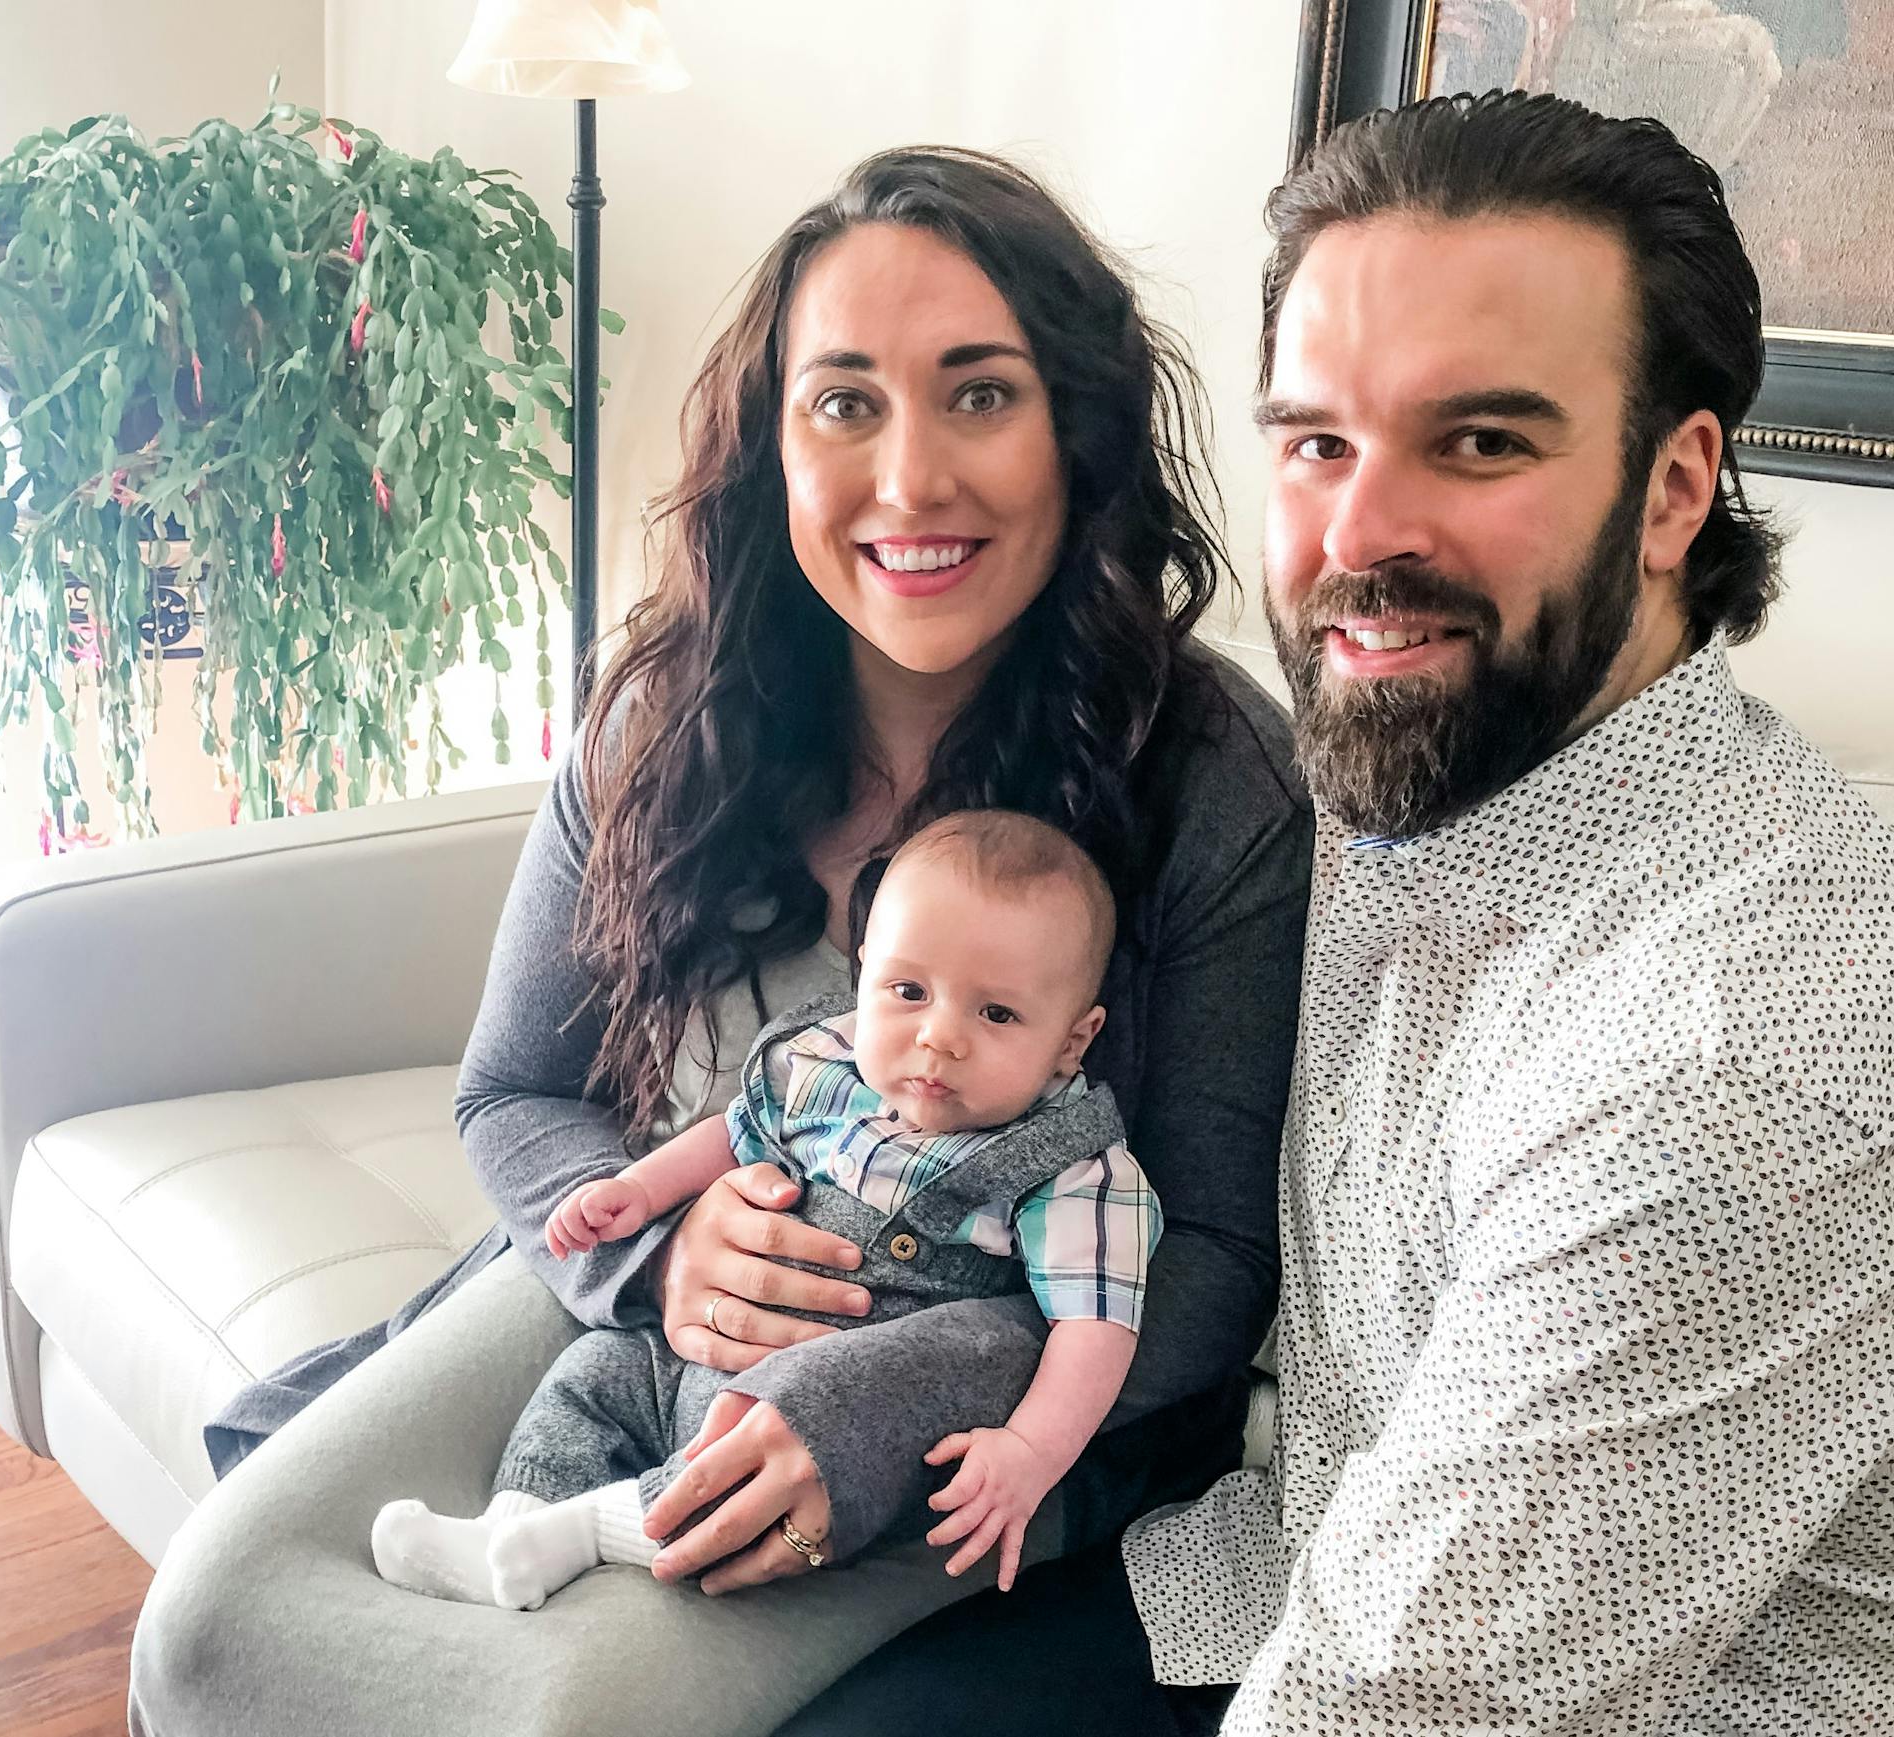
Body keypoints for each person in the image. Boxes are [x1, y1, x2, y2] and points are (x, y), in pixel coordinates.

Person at [127, 146, 1312, 1736]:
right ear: (772, 441)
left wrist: (883, 1407)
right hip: (620, 1303)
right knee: (213, 1629)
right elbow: (513, 1094)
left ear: (1076, 433)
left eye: (979, 396)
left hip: (977, 1391)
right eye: (845, 403)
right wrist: (660, 1254)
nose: (908, 482)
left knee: (570, 1710)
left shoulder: (1213, 779)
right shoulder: (661, 715)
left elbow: (1220, 1266)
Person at [788, 89, 1894, 1736]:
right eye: (1317, 442)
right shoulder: (1425, 776)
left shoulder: (1728, 1059)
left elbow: (1403, 1700)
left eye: (1481, 441)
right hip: (1276, 1559)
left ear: (1675, 492)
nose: (1360, 536)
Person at [371, 810, 1161, 1611]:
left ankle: (584, 1534)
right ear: (864, 973)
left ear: (1072, 1038)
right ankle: (514, 1522)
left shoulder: (1072, 1166)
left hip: (837, 1384)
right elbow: (735, 1135)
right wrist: (640, 1193)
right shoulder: (825, 1064)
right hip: (706, 1342)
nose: (938, 1037)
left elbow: (1096, 1324)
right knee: (596, 1373)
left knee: (802, 1421)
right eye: (909, 990)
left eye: (996, 1014)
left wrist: (1031, 1448)